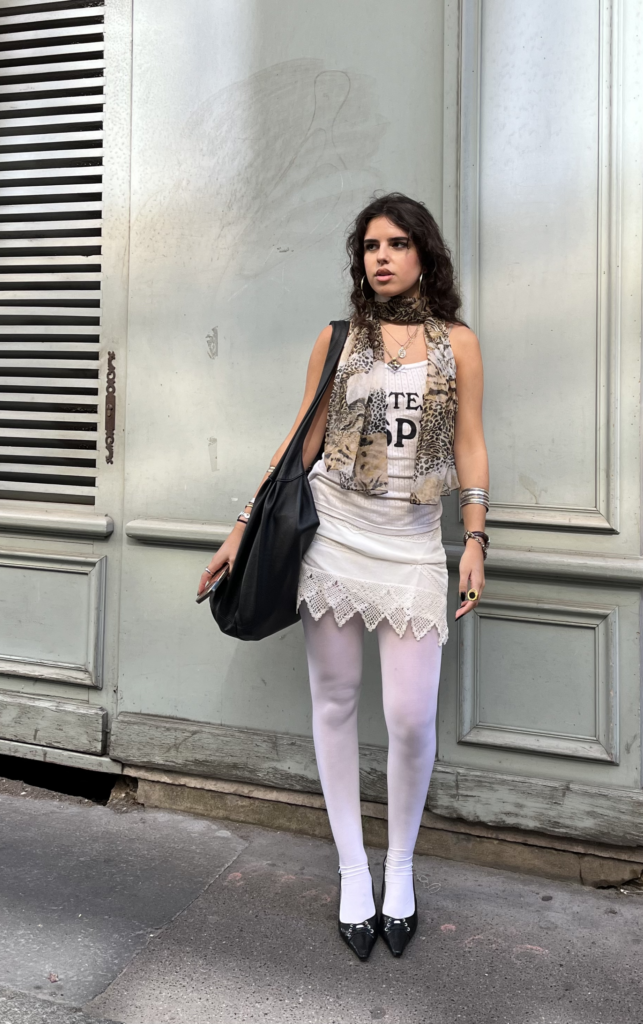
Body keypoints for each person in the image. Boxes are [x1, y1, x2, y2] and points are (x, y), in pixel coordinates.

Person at [199, 193, 489, 960]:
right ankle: (355, 872)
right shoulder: (338, 339)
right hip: (335, 535)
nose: (382, 257)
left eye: (397, 243)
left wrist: (476, 538)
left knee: (408, 718)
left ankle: (402, 866)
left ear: (425, 253)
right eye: (369, 246)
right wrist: (240, 528)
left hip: (413, 542)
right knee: (334, 702)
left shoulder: (456, 343)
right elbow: (299, 443)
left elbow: (469, 444)